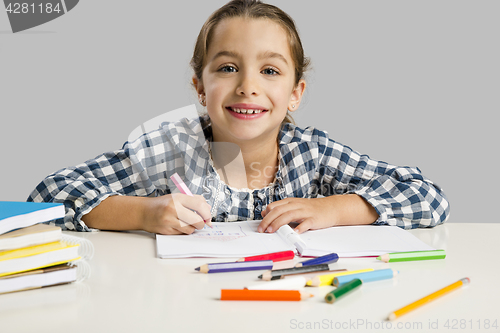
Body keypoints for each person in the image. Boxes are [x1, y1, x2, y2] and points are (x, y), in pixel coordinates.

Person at [28, 0, 449, 235]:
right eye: (228, 68)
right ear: (199, 87)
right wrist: (144, 213)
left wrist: (336, 209)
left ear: (295, 94)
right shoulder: (170, 149)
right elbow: (46, 197)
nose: (248, 86)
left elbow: (429, 196)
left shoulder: (313, 153)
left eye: (270, 71)